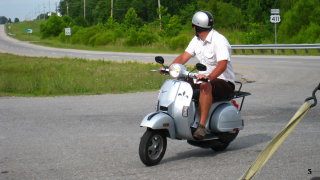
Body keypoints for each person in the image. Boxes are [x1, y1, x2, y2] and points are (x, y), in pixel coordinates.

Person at [170, 10, 235, 139]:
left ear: (196, 27)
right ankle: (182, 119)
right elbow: (184, 56)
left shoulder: (219, 40)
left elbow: (222, 65)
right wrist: (170, 68)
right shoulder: (196, 40)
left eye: (193, 26)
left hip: (224, 82)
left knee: (205, 85)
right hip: (202, 79)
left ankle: (201, 126)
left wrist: (209, 77)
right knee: (180, 82)